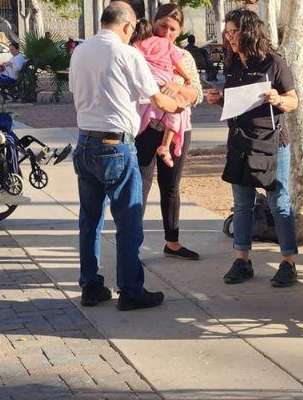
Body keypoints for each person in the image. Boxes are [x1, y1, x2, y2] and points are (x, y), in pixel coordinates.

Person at [69, 1, 182, 311]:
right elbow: (157, 99)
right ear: (129, 26)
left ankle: (90, 285)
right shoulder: (127, 53)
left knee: (89, 221)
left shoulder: (80, 51)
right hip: (115, 145)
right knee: (128, 221)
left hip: (85, 141)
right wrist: (180, 103)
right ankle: (131, 289)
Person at [205, 9, 300, 287]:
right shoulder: (233, 63)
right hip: (239, 140)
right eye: (227, 32)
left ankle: (288, 263)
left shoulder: (274, 63)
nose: (229, 37)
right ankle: (242, 260)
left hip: (271, 142)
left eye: (233, 31)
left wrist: (277, 98)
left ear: (248, 32)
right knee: (242, 204)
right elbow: (240, 103)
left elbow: (293, 101)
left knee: (279, 202)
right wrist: (219, 100)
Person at [136, 3, 203, 261]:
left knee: (171, 186)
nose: (167, 32)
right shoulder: (140, 50)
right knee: (140, 185)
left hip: (177, 128)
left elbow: (195, 93)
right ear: (154, 22)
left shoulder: (183, 56)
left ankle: (172, 242)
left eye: (173, 28)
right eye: (163, 25)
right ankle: (133, 244)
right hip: (146, 126)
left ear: (181, 30)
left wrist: (175, 86)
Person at [130, 18, 192, 168]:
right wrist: (187, 77)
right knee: (177, 110)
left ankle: (163, 145)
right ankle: (166, 145)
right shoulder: (165, 44)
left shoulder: (133, 46)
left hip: (149, 85)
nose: (167, 32)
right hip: (165, 82)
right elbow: (178, 63)